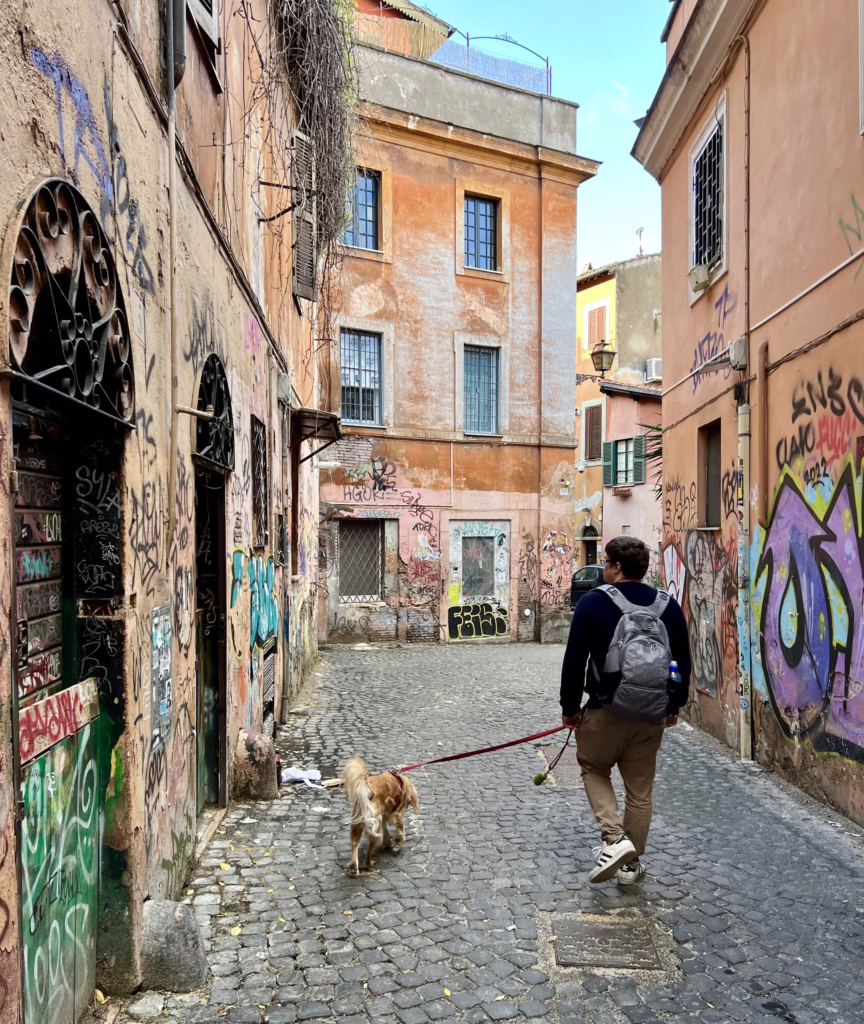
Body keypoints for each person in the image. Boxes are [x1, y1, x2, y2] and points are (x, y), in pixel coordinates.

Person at [560, 535, 691, 885]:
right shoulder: (668, 607)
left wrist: (570, 709)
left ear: (617, 568)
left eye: (606, 563)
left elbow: (574, 661)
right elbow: (682, 662)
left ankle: (615, 839)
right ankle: (630, 867)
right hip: (651, 716)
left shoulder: (593, 603)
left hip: (605, 711)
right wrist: (674, 706)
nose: (604, 568)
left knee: (593, 768)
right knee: (640, 788)